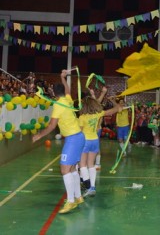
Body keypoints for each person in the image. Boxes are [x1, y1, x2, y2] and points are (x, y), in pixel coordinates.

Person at [32, 69, 85, 214]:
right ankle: (78, 197)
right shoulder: (67, 100)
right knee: (72, 169)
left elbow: (52, 126)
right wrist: (63, 77)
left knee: (64, 170)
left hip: (73, 139)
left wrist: (39, 136)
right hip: (79, 137)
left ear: (54, 93)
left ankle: (71, 201)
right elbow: (67, 89)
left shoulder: (57, 105)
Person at [79, 91, 123, 197]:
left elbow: (79, 133)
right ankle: (92, 187)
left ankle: (88, 185)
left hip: (85, 141)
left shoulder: (82, 117)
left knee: (82, 165)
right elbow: (117, 109)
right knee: (91, 164)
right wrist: (115, 103)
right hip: (95, 141)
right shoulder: (98, 114)